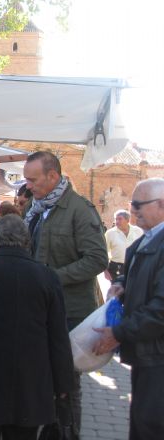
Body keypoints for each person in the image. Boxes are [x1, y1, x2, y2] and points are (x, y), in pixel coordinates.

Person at [0, 214, 74, 440]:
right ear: (27, 241)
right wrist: (63, 385)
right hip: (31, 381)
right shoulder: (47, 276)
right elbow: (58, 335)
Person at [23, 150, 108, 436]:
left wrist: (51, 279)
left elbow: (97, 259)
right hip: (39, 312)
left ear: (53, 176)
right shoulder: (35, 209)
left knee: (66, 387)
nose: (29, 186)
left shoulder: (80, 210)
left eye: (33, 180)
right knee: (43, 383)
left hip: (70, 313)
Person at [93, 178, 164, 440]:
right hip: (146, 352)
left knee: (150, 425)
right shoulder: (147, 239)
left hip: (157, 355)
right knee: (141, 421)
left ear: (161, 204)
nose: (132, 211)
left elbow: (160, 310)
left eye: (137, 205)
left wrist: (119, 333)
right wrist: (123, 284)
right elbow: (138, 276)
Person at [105, 209, 143, 280]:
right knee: (117, 290)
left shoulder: (138, 231)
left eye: (120, 219)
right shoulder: (110, 233)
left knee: (133, 290)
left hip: (135, 266)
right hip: (116, 268)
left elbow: (143, 249)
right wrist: (105, 270)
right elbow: (104, 252)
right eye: (116, 219)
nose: (117, 222)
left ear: (127, 220)